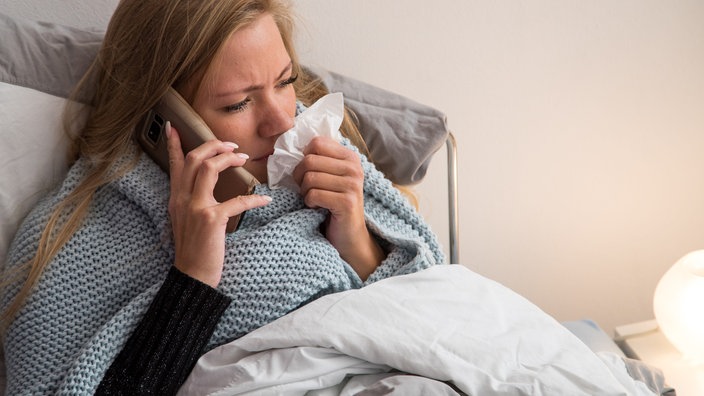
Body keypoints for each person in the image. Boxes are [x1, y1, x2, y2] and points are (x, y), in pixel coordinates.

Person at [0, 0, 445, 394]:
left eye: (286, 80)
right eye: (238, 104)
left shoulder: (328, 153)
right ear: (165, 113)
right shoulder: (69, 240)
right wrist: (191, 281)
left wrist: (354, 237)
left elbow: (435, 315)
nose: (282, 121)